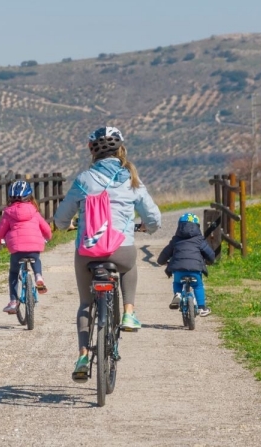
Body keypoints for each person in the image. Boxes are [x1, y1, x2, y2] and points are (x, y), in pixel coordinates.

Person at [53, 126, 161, 382]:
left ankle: (82, 356)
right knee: (129, 263)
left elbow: (59, 220)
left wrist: (67, 225)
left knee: (84, 304)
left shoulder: (83, 180)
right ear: (121, 149)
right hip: (121, 250)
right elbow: (154, 218)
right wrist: (147, 227)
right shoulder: (131, 179)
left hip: (88, 253)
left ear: (92, 151)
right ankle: (129, 312)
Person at [0, 180, 52, 314]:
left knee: (13, 273)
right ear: (29, 197)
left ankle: (13, 301)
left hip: (17, 248)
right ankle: (38, 276)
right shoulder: (34, 211)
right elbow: (46, 229)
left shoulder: (8, 213)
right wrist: (47, 237)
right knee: (35, 258)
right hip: (35, 246)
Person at [157, 212, 216, 317]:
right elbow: (210, 254)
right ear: (197, 226)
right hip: (195, 270)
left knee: (177, 283)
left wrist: (161, 261)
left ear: (179, 226)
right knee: (198, 286)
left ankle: (178, 294)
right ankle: (202, 308)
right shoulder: (199, 239)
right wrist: (210, 261)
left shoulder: (175, 240)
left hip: (178, 269)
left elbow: (165, 254)